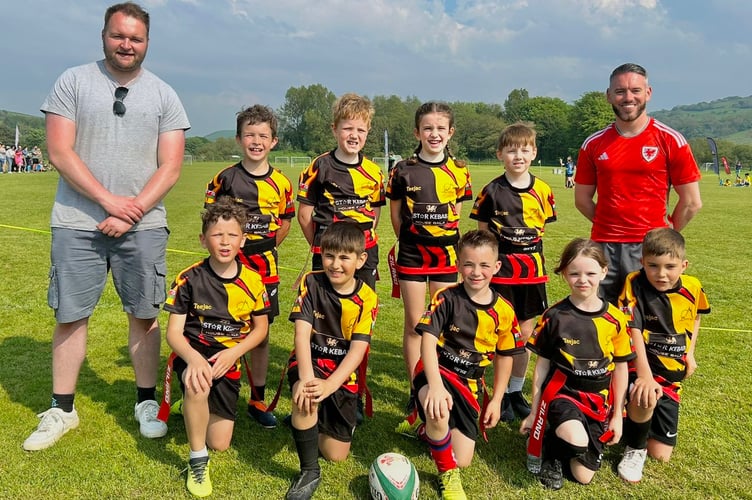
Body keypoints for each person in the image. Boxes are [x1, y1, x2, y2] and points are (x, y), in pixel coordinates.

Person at [23, 2, 190, 452]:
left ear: (147, 43)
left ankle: (146, 403)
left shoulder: (164, 94)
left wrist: (130, 210)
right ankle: (62, 408)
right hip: (77, 223)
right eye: (119, 36)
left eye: (135, 38)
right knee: (71, 314)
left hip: (144, 226)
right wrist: (108, 202)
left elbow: (170, 166)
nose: (126, 45)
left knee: (144, 314)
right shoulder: (72, 82)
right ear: (103, 35)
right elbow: (59, 151)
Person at [165, 197, 271, 497]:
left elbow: (261, 329)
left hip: (228, 361)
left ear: (243, 239)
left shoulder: (253, 280)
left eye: (232, 235)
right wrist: (194, 359)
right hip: (194, 353)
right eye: (217, 235)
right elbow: (173, 333)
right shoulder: (188, 278)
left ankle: (190, 407)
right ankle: (197, 460)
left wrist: (235, 352)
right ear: (203, 240)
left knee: (221, 442)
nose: (225, 242)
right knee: (197, 384)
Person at [574, 62, 702, 304]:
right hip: (602, 246)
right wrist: (609, 225)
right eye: (620, 91)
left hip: (648, 247)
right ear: (609, 95)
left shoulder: (670, 139)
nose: (628, 97)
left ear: (648, 93)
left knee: (647, 319)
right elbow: (581, 200)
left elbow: (692, 202)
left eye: (635, 90)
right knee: (600, 317)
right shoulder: (593, 143)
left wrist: (664, 235)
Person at [414, 230, 524, 499]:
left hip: (470, 386)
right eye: (469, 264)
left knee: (463, 458)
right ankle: (447, 477)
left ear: (496, 266)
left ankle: (428, 430)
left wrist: (497, 399)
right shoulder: (445, 297)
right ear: (458, 265)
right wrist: (436, 387)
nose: (476, 272)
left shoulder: (505, 311)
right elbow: (427, 341)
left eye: (485, 265)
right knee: (438, 407)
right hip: (437, 373)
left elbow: (505, 356)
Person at [204, 104, 295, 429]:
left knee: (261, 333)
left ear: (274, 141)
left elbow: (284, 223)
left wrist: (264, 246)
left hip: (264, 268)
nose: (256, 141)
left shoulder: (283, 183)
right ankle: (218, 389)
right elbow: (211, 221)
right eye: (250, 135)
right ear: (239, 138)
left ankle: (257, 399)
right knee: (220, 328)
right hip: (226, 267)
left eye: (263, 136)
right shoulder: (225, 178)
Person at [520, 238, 634, 490]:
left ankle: (567, 440)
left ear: (604, 272)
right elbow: (541, 368)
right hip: (564, 394)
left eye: (590, 273)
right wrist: (534, 411)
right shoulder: (554, 316)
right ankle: (552, 449)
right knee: (576, 440)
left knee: (583, 476)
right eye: (574, 273)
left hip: (598, 399)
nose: (583, 279)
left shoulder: (616, 318)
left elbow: (622, 367)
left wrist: (617, 416)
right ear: (563, 275)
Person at [387, 101, 472, 435]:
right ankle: (416, 389)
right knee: (415, 325)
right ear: (417, 132)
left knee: (444, 325)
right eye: (427, 128)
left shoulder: (460, 171)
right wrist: (410, 241)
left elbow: (457, 214)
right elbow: (396, 216)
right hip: (412, 255)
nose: (434, 134)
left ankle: (443, 384)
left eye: (440, 128)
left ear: (450, 132)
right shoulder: (402, 169)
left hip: (446, 257)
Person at [285, 222, 378, 500]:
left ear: (361, 259)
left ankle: (309, 419)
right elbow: (301, 336)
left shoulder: (367, 297)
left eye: (344, 257)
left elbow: (357, 351)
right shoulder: (311, 282)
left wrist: (331, 385)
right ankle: (309, 471)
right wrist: (306, 378)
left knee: (337, 455)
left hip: (341, 373)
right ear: (321, 254)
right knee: (306, 394)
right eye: (329, 256)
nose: (335, 264)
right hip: (310, 363)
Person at [470, 122, 556, 423]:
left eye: (524, 149)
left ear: (533, 153)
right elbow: (482, 238)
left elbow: (541, 229)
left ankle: (514, 392)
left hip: (531, 276)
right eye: (511, 150)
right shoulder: (491, 191)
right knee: (497, 332)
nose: (518, 155)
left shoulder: (543, 190)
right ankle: (496, 391)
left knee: (524, 335)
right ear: (500, 154)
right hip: (501, 275)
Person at [616, 228, 710, 483]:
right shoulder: (634, 282)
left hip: (672, 373)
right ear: (642, 262)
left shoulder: (693, 286)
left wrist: (689, 354)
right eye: (653, 265)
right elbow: (632, 328)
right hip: (642, 365)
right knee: (644, 393)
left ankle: (632, 423)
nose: (661, 273)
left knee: (660, 455)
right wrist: (645, 375)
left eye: (670, 266)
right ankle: (634, 447)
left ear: (684, 265)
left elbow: (697, 316)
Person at [296, 92, 385, 291]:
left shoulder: (374, 171)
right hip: (329, 253)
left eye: (361, 130)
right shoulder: (319, 166)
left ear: (368, 132)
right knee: (325, 310)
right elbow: (304, 216)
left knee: (362, 305)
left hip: (365, 251)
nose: (354, 135)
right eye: (347, 128)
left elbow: (375, 215)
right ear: (334, 129)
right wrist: (325, 244)